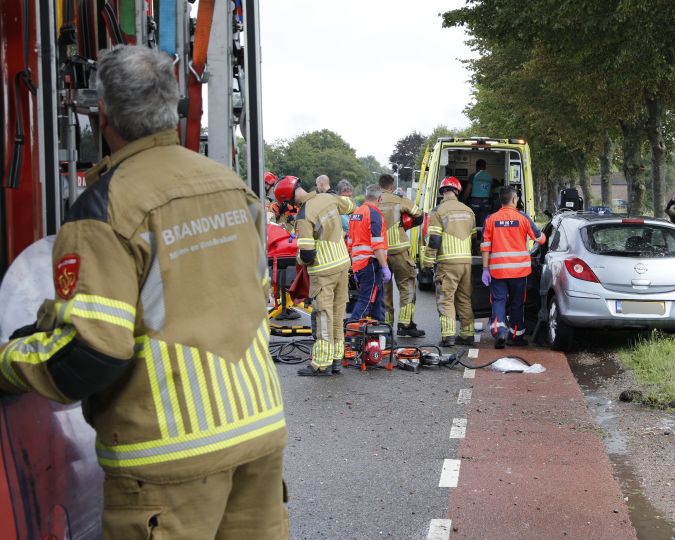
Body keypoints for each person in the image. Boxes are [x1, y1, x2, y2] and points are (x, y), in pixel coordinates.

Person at [0, 46, 287, 538]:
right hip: (258, 432)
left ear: (102, 113)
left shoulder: (106, 207)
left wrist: (9, 362)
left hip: (169, 459)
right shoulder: (233, 187)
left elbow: (91, 354)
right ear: (171, 107)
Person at [275, 177, 356, 377]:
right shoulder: (328, 198)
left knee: (323, 316)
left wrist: (299, 259)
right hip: (343, 264)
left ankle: (321, 364)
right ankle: (337, 360)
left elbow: (308, 254)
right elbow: (351, 206)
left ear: (289, 199)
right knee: (338, 314)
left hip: (324, 270)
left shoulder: (303, 215)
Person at [482, 186, 546, 349]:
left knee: (498, 301)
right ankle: (515, 336)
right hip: (519, 271)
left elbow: (485, 246)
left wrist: (485, 269)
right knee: (517, 303)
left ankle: (499, 331)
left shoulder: (491, 219)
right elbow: (540, 240)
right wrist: (545, 234)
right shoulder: (523, 218)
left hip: (498, 271)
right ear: (513, 200)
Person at [423, 177, 477, 347]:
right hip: (466, 263)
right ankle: (468, 335)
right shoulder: (469, 211)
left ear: (442, 192)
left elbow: (434, 241)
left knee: (446, 299)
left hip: (447, 263)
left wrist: (427, 263)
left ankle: (448, 337)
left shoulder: (438, 211)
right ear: (457, 191)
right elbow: (474, 238)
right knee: (464, 298)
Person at [377, 174, 426, 337]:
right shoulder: (399, 200)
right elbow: (419, 215)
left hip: (380, 253)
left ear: (380, 186)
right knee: (407, 286)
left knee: (385, 290)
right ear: (391, 186)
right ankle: (405, 325)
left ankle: (386, 325)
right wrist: (405, 226)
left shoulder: (374, 202)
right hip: (399, 251)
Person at [348, 185, 391, 322]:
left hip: (359, 264)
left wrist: (354, 266)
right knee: (366, 301)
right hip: (371, 264)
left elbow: (350, 242)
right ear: (379, 198)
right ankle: (350, 334)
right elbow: (377, 245)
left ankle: (381, 334)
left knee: (377, 301)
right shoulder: (374, 214)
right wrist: (385, 267)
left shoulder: (356, 213)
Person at [464, 159, 493, 223]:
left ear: (476, 166)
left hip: (475, 202)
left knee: (473, 223)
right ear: (485, 166)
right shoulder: (490, 177)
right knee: (484, 223)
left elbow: (468, 190)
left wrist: (464, 200)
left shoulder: (473, 176)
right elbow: (490, 192)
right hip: (486, 203)